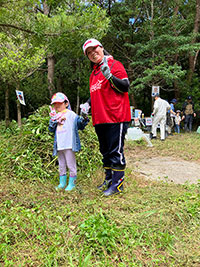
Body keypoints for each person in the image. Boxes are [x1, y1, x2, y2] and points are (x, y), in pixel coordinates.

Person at [81, 38, 131, 196]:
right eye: (88, 52)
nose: (92, 53)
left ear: (101, 48)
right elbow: (96, 93)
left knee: (115, 151)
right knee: (105, 152)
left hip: (116, 116)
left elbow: (124, 86)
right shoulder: (94, 73)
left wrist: (110, 76)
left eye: (94, 49)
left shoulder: (115, 65)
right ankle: (109, 180)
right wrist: (87, 105)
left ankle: (118, 185)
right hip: (100, 118)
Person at [48, 92, 89, 191]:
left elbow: (80, 124)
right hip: (59, 145)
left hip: (69, 144)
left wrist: (84, 116)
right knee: (61, 165)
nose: (57, 105)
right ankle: (62, 183)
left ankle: (72, 184)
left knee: (71, 165)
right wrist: (53, 120)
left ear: (66, 103)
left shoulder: (71, 114)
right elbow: (51, 129)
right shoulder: (55, 115)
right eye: (55, 104)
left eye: (60, 103)